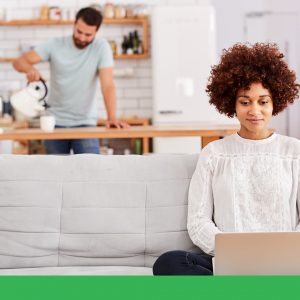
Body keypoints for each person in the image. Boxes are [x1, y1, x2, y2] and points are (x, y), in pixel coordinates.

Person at [153, 42, 300, 275]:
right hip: (229, 261)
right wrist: (233, 251)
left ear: (275, 103)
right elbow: (198, 221)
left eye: (263, 101)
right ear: (232, 104)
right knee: (169, 263)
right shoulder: (214, 154)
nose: (254, 111)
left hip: (285, 263)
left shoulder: (294, 152)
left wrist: (286, 251)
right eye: (245, 102)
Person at [12, 7, 128, 154]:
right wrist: (30, 70)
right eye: (79, 32)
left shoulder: (101, 48)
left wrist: (112, 117)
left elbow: (108, 85)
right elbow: (19, 62)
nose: (82, 38)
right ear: (74, 24)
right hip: (55, 123)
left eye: (88, 34)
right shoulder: (55, 44)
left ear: (96, 32)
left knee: (90, 171)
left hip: (86, 123)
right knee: (56, 173)